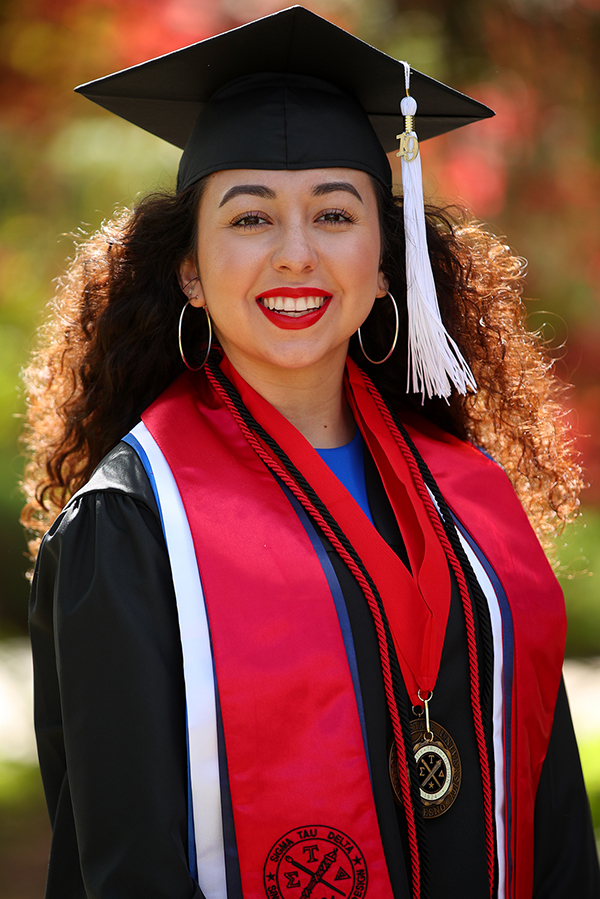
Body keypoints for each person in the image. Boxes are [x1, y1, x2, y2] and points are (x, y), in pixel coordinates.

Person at [20, 7, 599, 899]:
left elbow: (554, 820)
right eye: (250, 219)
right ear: (189, 270)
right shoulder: (135, 521)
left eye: (335, 212)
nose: (297, 256)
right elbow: (128, 867)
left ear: (383, 256)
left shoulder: (472, 501)